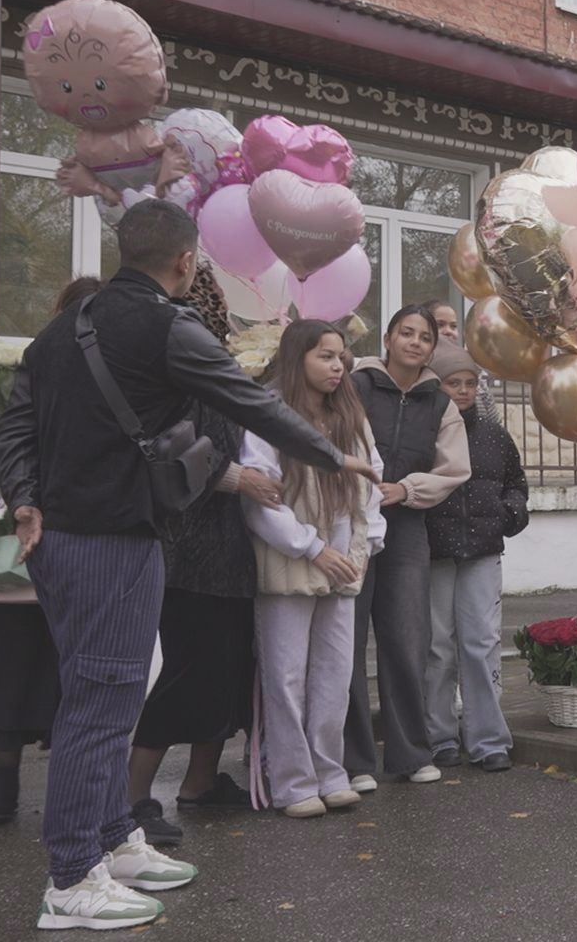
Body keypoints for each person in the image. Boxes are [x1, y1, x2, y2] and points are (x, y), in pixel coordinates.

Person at [0, 199, 375, 931]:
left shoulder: (58, 332)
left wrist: (24, 499)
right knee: (100, 706)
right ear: (185, 261)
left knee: (105, 697)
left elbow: (14, 421)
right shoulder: (169, 327)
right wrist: (334, 454)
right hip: (112, 541)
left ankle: (115, 840)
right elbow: (248, 401)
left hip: (64, 540)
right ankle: (72, 877)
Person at [126, 264, 280, 846]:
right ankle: (134, 796)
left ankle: (200, 782)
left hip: (234, 548)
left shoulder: (218, 359)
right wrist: (233, 475)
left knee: (228, 671)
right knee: (188, 672)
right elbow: (167, 446)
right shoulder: (168, 360)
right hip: (191, 550)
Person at [0, 277, 98, 827]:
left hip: (78, 537)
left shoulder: (111, 378)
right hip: (8, 542)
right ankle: (4, 778)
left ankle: (70, 781)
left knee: (71, 662)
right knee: (7, 658)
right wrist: (12, 450)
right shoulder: (18, 371)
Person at [244, 319, 386, 819]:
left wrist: (362, 545)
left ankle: (330, 772)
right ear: (297, 355)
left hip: (342, 562)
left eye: (341, 356)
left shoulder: (350, 412)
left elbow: (371, 480)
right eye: (325, 355)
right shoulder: (268, 413)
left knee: (334, 671)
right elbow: (261, 498)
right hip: (290, 561)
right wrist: (311, 547)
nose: (337, 365)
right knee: (285, 676)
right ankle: (292, 783)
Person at [345, 306, 472, 789]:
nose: (415, 342)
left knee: (406, 642)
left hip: (405, 532)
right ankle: (355, 762)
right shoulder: (355, 385)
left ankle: (410, 754)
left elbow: (453, 470)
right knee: (348, 644)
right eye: (406, 333)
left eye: (423, 337)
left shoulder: (440, 405)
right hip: (351, 527)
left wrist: (407, 489)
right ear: (389, 337)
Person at [422, 342, 528, 775]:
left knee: (481, 644)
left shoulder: (492, 433)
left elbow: (515, 482)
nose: (463, 391)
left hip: (482, 550)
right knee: (437, 647)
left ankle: (487, 739)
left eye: (469, 383)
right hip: (434, 552)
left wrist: (510, 514)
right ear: (437, 385)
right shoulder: (422, 430)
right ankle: (439, 736)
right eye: (453, 383)